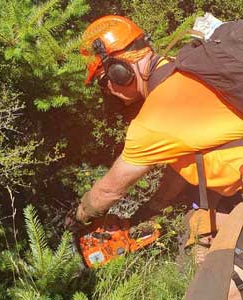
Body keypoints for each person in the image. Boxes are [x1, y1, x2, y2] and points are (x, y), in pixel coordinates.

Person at [75, 15, 243, 299]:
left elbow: (108, 190)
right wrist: (149, 211)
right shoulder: (190, 71)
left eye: (104, 82)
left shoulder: (153, 119)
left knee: (214, 291)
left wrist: (80, 218)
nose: (109, 91)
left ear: (119, 72)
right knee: (200, 226)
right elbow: (185, 168)